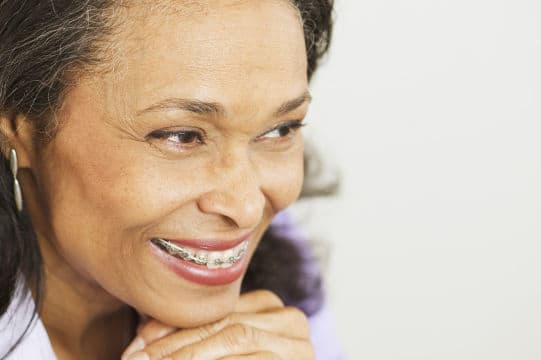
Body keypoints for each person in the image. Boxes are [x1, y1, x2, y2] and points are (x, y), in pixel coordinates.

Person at [0, 1, 342, 359]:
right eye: (181, 136)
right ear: (17, 127)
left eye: (280, 129)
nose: (247, 208)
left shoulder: (281, 266)